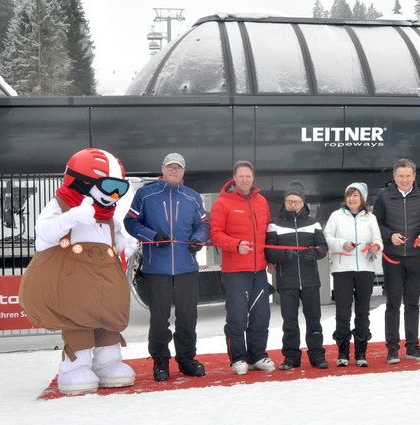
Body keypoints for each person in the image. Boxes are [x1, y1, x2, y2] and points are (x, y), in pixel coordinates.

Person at [19, 148, 136, 395]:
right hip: (77, 286)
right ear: (84, 182)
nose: (114, 196)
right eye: (109, 187)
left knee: (108, 321)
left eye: (121, 189)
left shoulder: (109, 217)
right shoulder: (60, 206)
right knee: (79, 321)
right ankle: (75, 367)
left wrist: (126, 244)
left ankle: (108, 363)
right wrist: (73, 217)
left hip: (104, 284)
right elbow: (43, 236)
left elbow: (115, 239)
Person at [124, 153, 209, 382]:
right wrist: (151, 236)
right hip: (156, 268)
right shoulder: (145, 194)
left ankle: (187, 359)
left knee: (188, 317)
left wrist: (197, 240)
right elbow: (130, 222)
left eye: (178, 168)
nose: (174, 171)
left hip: (186, 268)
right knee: (159, 319)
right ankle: (160, 361)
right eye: (170, 167)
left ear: (183, 171)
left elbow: (202, 224)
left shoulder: (192, 197)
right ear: (162, 168)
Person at [210, 160, 275, 375]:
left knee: (261, 315)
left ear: (253, 178)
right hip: (235, 270)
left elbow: (268, 234)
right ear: (234, 178)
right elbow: (215, 233)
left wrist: (271, 259)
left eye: (248, 176)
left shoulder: (262, 201)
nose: (245, 180)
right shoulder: (223, 203)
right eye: (241, 176)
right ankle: (238, 357)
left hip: (259, 270)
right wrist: (236, 245)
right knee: (237, 317)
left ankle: (257, 355)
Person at [373, 158, 420, 363]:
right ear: (394, 177)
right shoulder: (383, 197)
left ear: (414, 176)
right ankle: (392, 348)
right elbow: (376, 224)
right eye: (401, 176)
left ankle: (413, 346)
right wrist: (390, 235)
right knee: (392, 304)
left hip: (415, 258)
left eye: (408, 176)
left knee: (412, 304)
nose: (405, 179)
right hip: (392, 258)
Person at [265, 181, 329, 370]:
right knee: (290, 322)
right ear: (284, 202)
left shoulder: (313, 222)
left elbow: (323, 246)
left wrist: (316, 252)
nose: (293, 204)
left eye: (297, 201)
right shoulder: (274, 224)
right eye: (290, 201)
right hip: (287, 280)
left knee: (314, 319)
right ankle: (291, 357)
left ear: (303, 203)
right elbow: (269, 251)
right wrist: (284, 254)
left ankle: (317, 356)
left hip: (310, 279)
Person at [323, 182, 383, 367]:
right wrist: (342, 244)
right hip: (342, 270)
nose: (351, 198)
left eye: (356, 195)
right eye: (349, 195)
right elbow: (327, 237)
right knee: (342, 312)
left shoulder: (370, 218)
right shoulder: (336, 216)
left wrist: (376, 246)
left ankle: (361, 352)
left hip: (365, 269)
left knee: (362, 312)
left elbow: (378, 239)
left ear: (362, 198)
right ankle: (342, 352)